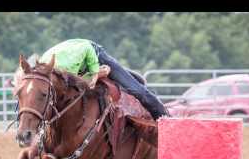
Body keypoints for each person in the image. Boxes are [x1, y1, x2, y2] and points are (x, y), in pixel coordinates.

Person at [39, 39, 169, 120]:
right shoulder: (43, 70)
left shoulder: (66, 69)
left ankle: (166, 118)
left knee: (137, 90)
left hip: (93, 53)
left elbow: (87, 48)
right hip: (76, 62)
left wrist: (95, 73)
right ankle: (119, 72)